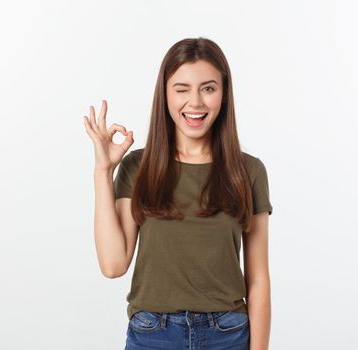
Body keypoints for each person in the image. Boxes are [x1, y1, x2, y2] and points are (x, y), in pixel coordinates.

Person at [83, 37, 273, 350]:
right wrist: (103, 172)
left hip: (227, 335)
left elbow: (258, 280)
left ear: (224, 95)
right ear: (165, 94)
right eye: (181, 89)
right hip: (152, 334)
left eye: (208, 88)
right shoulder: (138, 166)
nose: (195, 102)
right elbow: (113, 264)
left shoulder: (248, 171)